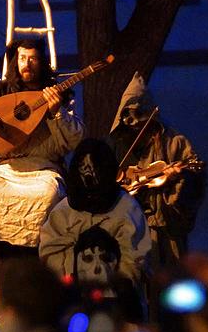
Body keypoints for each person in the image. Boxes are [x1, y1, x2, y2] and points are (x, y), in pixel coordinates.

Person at [0, 39, 84, 263]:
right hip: (5, 169)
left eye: (33, 58)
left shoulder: (61, 95)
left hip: (43, 170)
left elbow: (74, 139)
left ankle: (39, 256)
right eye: (23, 58)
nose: (27, 64)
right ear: (15, 61)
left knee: (48, 195)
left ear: (41, 61)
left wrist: (56, 112)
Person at [108, 73, 205, 317]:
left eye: (137, 113)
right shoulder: (119, 147)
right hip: (130, 230)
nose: (131, 121)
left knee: (170, 289)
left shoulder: (175, 143)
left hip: (164, 229)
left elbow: (195, 182)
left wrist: (177, 179)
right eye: (126, 115)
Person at [40, 138, 150, 322]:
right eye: (84, 170)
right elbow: (51, 259)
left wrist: (117, 287)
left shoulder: (128, 209)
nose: (90, 178)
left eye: (95, 171)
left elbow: (135, 262)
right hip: (74, 306)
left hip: (119, 308)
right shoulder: (62, 214)